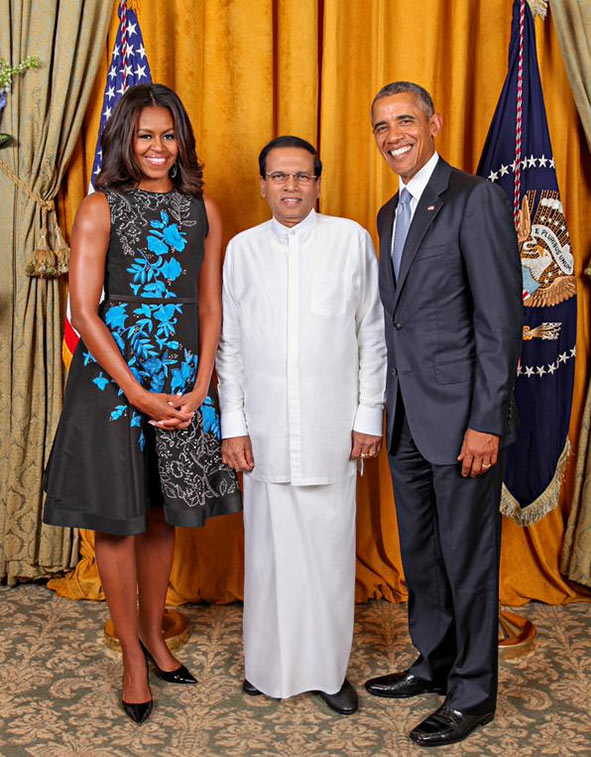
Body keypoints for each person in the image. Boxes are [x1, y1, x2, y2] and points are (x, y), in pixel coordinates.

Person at [43, 84, 241, 725]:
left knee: (161, 515)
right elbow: (83, 309)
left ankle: (156, 636)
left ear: (181, 141)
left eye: (168, 135)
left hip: (184, 379)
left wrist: (201, 382)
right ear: (125, 139)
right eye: (145, 135)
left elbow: (212, 304)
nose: (157, 148)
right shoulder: (99, 207)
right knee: (118, 518)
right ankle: (131, 654)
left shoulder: (203, 210)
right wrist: (134, 390)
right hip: (114, 385)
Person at [365, 81, 522, 746]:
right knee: (422, 555)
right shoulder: (385, 212)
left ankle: (473, 690)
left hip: (462, 421)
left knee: (468, 557)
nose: (392, 133)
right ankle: (433, 661)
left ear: (432, 122)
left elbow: (499, 322)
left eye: (404, 120)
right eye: (380, 125)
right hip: (405, 416)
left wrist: (485, 420)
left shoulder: (474, 198)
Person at [216, 136, 386, 715]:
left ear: (318, 181)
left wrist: (368, 416)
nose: (290, 187)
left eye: (302, 176)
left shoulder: (350, 241)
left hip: (331, 432)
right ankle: (266, 669)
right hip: (262, 434)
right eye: (279, 177)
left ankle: (326, 671)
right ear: (262, 184)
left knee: (329, 555)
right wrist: (233, 425)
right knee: (267, 557)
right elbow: (229, 346)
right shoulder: (240, 250)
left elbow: (372, 333)